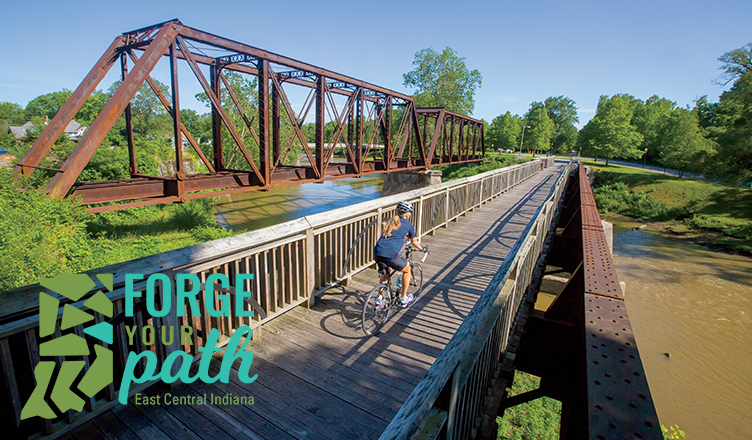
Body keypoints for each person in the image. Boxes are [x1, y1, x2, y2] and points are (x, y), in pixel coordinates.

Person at [373, 201, 425, 308]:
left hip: (377, 252)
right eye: (409, 213)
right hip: (392, 255)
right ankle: (404, 299)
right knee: (407, 270)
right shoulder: (409, 225)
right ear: (407, 214)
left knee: (386, 270)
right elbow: (414, 242)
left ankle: (379, 297)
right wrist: (423, 249)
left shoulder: (391, 222)